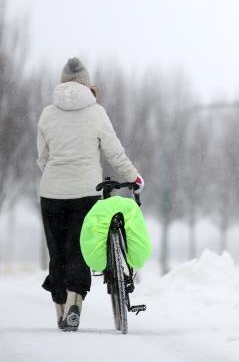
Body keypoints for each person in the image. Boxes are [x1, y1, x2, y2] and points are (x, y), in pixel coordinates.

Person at [37, 57, 143, 332]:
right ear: (87, 84)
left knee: (57, 251)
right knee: (79, 249)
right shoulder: (96, 112)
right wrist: (134, 176)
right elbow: (114, 152)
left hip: (51, 193)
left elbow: (42, 158)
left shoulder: (47, 114)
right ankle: (75, 301)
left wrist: (56, 177)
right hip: (86, 192)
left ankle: (60, 307)